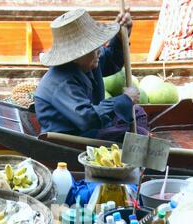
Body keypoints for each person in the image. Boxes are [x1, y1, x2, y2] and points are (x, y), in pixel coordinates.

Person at [35, 8, 148, 143]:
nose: (99, 52)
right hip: (73, 137)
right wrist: (124, 99)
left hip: (91, 127)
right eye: (93, 49)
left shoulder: (89, 62)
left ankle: (141, 142)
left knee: (137, 113)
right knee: (134, 133)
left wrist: (120, 37)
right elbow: (87, 118)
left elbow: (112, 61)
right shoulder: (61, 82)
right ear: (76, 56)